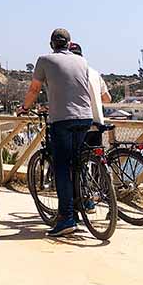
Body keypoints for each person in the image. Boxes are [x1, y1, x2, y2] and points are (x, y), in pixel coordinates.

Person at [21, 28, 93, 237]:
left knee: (62, 167)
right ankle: (84, 202)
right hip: (85, 117)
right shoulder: (82, 61)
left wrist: (24, 108)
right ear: (70, 44)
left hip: (62, 119)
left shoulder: (44, 60)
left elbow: (34, 90)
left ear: (52, 44)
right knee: (78, 163)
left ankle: (67, 218)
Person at [69, 42, 112, 146]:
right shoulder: (95, 73)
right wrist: (94, 98)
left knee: (74, 158)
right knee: (95, 158)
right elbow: (107, 99)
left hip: (80, 124)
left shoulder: (70, 74)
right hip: (97, 123)